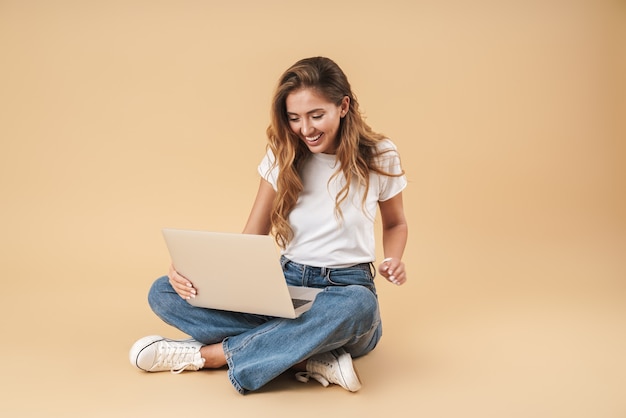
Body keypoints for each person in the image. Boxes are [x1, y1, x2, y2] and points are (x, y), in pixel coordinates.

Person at [129, 56, 408, 394]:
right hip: (286, 283)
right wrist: (194, 270)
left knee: (360, 308)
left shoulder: (379, 153)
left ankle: (211, 356)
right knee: (163, 291)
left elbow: (394, 224)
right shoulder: (283, 155)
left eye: (316, 115)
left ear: (343, 105)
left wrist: (393, 259)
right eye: (294, 118)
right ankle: (307, 357)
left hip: (347, 288)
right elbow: (251, 239)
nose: (306, 129)